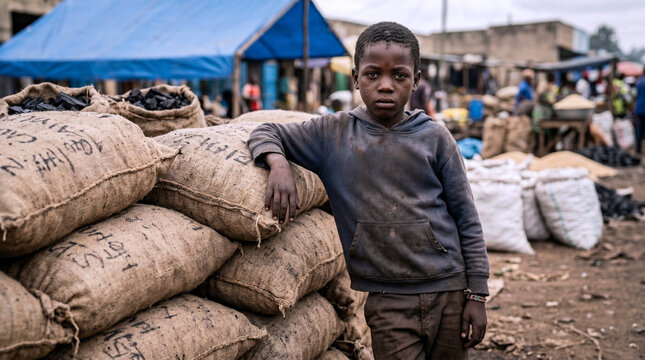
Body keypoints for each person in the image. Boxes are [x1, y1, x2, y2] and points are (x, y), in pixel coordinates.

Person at [247, 22, 489, 359]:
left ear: (416, 80)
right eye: (373, 75)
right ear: (356, 76)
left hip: (449, 290)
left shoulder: (435, 138)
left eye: (400, 76)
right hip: (387, 299)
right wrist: (278, 164)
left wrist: (476, 294)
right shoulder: (332, 134)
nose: (386, 85)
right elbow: (266, 131)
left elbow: (466, 216)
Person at [635, 74, 645, 153]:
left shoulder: (639, 81)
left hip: (639, 108)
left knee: (640, 129)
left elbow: (636, 95)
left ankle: (638, 149)